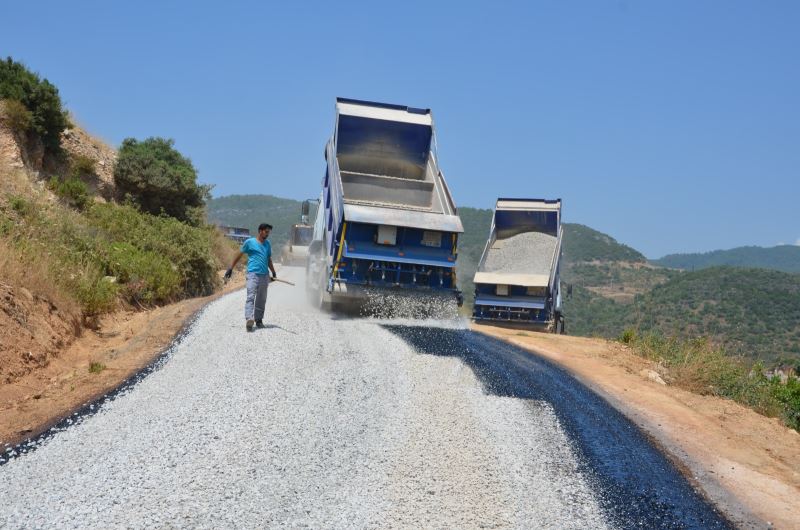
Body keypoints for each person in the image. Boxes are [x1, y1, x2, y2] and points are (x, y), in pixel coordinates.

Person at [225, 223, 277, 332]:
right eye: (266, 232)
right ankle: (249, 319)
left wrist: (273, 272)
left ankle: (258, 320)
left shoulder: (267, 244)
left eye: (269, 232)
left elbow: (268, 259)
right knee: (250, 296)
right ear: (260, 231)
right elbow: (238, 254)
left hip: (264, 275)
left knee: (261, 299)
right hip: (252, 274)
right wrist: (230, 268)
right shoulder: (250, 242)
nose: (268, 234)